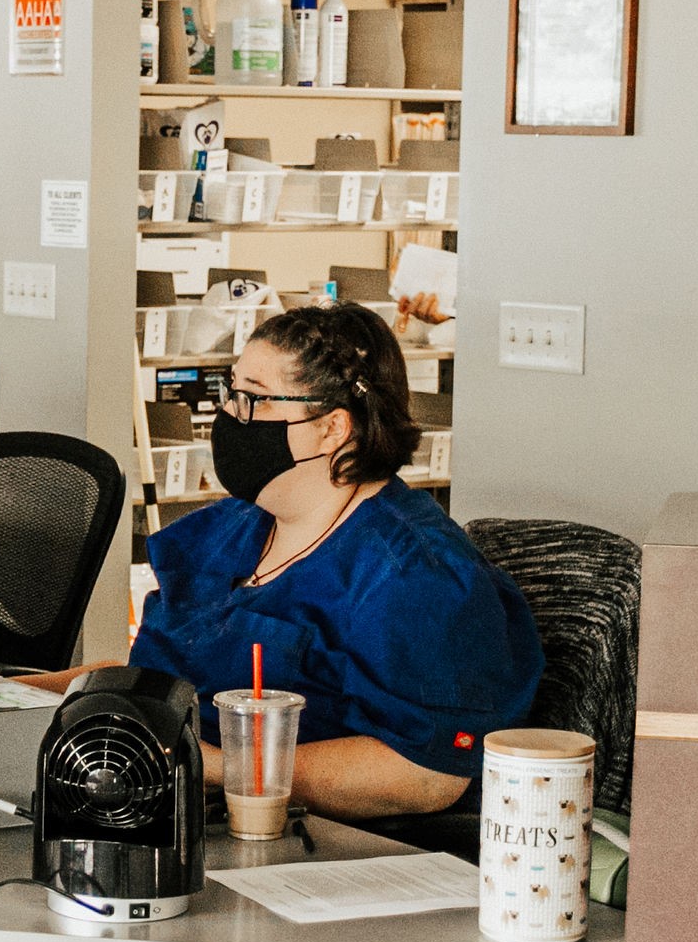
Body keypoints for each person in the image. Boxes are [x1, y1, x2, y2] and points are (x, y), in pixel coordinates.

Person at [47, 302, 541, 818]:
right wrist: (4, 692)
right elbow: (154, 678)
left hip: (314, 841)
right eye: (231, 392)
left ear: (332, 428)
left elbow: (425, 775)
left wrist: (215, 766)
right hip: (151, 795)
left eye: (254, 399)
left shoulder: (415, 576)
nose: (232, 416)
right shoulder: (234, 527)